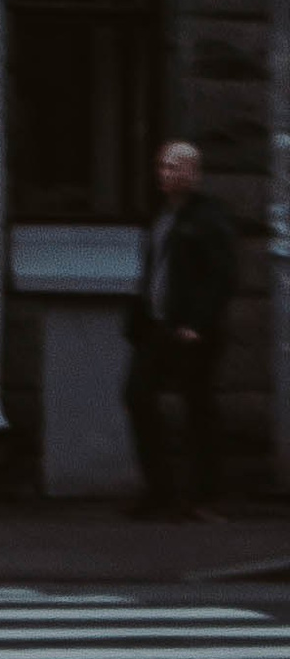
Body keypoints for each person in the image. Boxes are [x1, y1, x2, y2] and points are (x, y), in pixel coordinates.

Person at [124, 138, 237, 517]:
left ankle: (203, 493)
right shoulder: (162, 217)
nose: (166, 174)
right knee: (138, 395)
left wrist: (198, 323)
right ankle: (160, 489)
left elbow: (221, 276)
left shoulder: (209, 218)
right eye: (163, 166)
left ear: (194, 173)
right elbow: (154, 271)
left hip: (190, 331)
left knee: (197, 406)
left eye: (175, 166)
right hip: (158, 327)